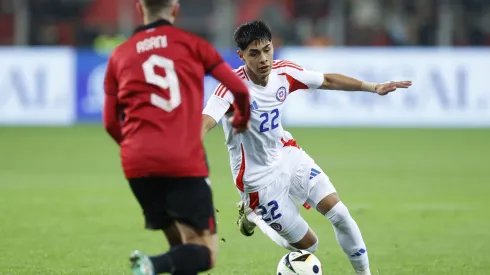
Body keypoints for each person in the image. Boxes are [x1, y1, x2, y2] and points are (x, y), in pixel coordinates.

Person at [201, 20, 412, 275]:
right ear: (241, 56)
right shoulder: (231, 87)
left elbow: (328, 80)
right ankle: (254, 215)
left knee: (340, 213)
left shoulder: (284, 72)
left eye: (267, 50)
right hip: (257, 180)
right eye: (254, 54)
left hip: (287, 154)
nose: (263, 59)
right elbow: (206, 121)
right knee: (309, 246)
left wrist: (373, 87)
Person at [102, 1, 251, 274]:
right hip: (182, 159)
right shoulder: (193, 45)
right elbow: (238, 89)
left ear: (139, 8)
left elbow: (111, 122)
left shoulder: (119, 55)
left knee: (180, 246)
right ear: (175, 9)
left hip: (136, 164)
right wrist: (240, 118)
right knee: (204, 252)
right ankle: (150, 265)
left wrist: (137, 150)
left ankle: (157, 264)